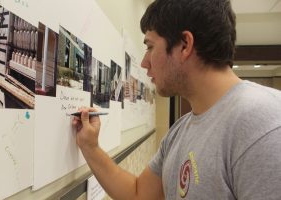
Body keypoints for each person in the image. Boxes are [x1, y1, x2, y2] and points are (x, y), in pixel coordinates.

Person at [72, 0, 281, 199]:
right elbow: (138, 194)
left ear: (184, 45)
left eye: (150, 47)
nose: (145, 63)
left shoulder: (264, 123)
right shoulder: (181, 130)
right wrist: (90, 146)